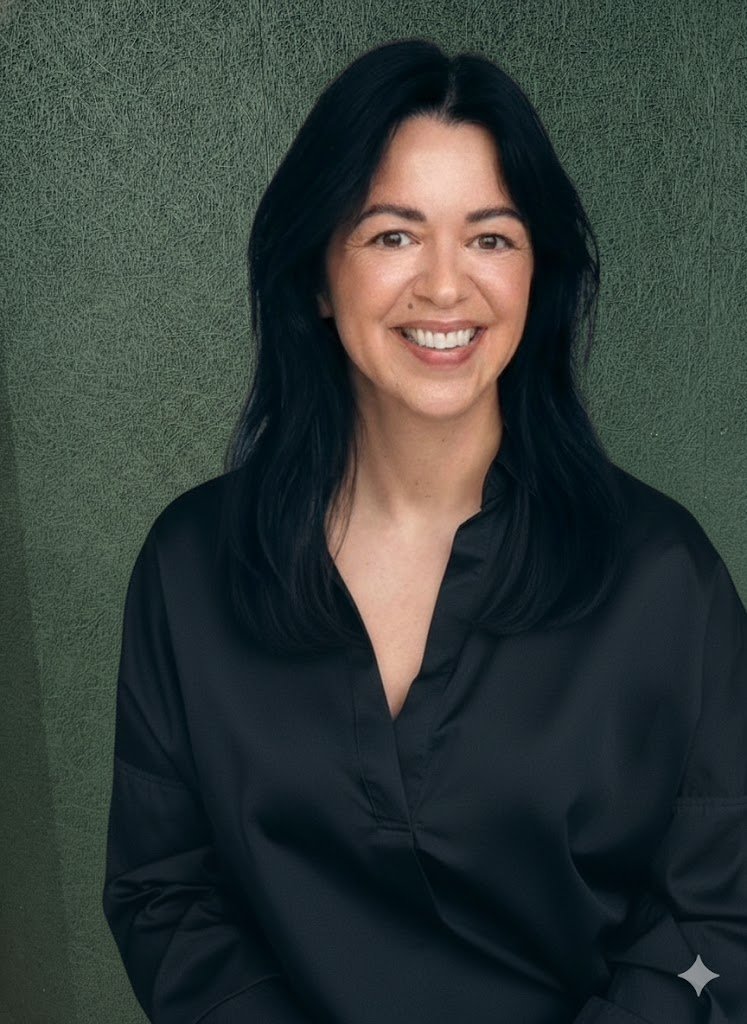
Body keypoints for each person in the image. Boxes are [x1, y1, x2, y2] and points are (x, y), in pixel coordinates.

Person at [101, 38, 747, 1024]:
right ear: (318, 275)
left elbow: (718, 917)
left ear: (539, 276)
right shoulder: (191, 567)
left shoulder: (664, 576)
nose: (446, 288)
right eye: (393, 235)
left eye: (491, 237)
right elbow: (164, 888)